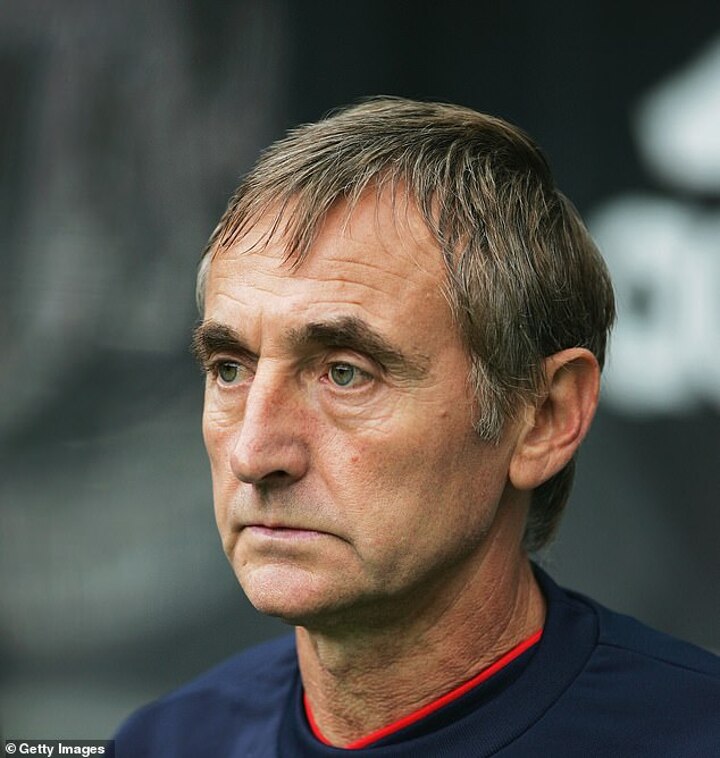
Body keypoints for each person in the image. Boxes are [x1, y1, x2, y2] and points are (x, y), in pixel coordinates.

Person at [115, 98, 720, 756]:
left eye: (345, 373)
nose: (253, 453)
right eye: (230, 369)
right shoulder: (164, 743)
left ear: (544, 418)